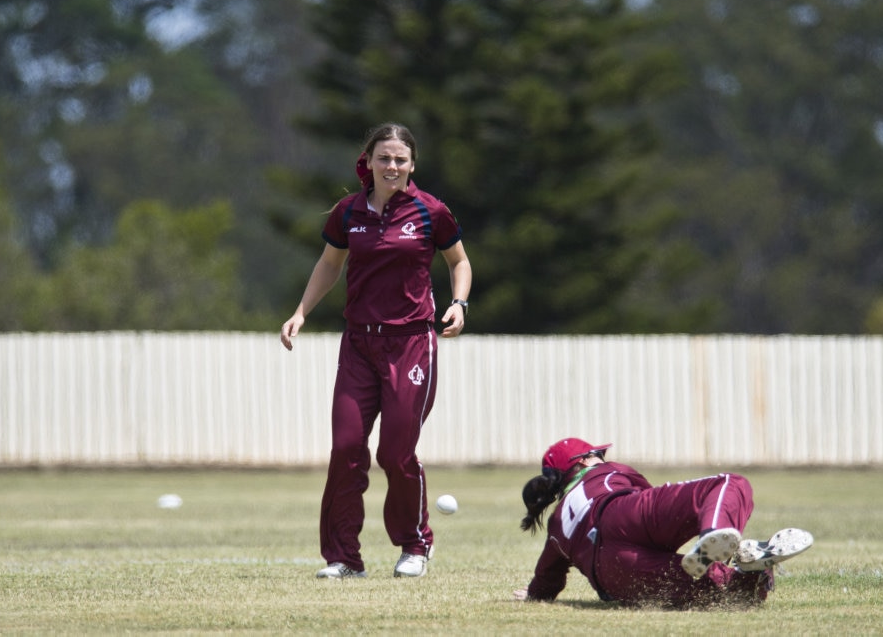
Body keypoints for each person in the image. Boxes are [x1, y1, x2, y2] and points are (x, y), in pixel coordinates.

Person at [280, 123, 472, 580]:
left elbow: (459, 261)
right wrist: (301, 312)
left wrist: (459, 304)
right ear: (367, 161)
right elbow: (330, 264)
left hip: (411, 344)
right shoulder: (348, 212)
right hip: (359, 344)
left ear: (412, 165)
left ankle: (414, 545)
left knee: (395, 452)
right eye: (383, 158)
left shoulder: (431, 212)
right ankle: (344, 557)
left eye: (400, 159)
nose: (392, 166)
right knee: (346, 447)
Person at [513, 438, 813, 609]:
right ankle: (714, 532)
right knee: (727, 483)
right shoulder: (606, 473)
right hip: (621, 514)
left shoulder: (556, 524)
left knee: (731, 595)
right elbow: (659, 508)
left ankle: (747, 575)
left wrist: (533, 595)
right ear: (581, 463)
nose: (603, 457)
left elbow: (546, 581)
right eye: (597, 454)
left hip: (613, 576)